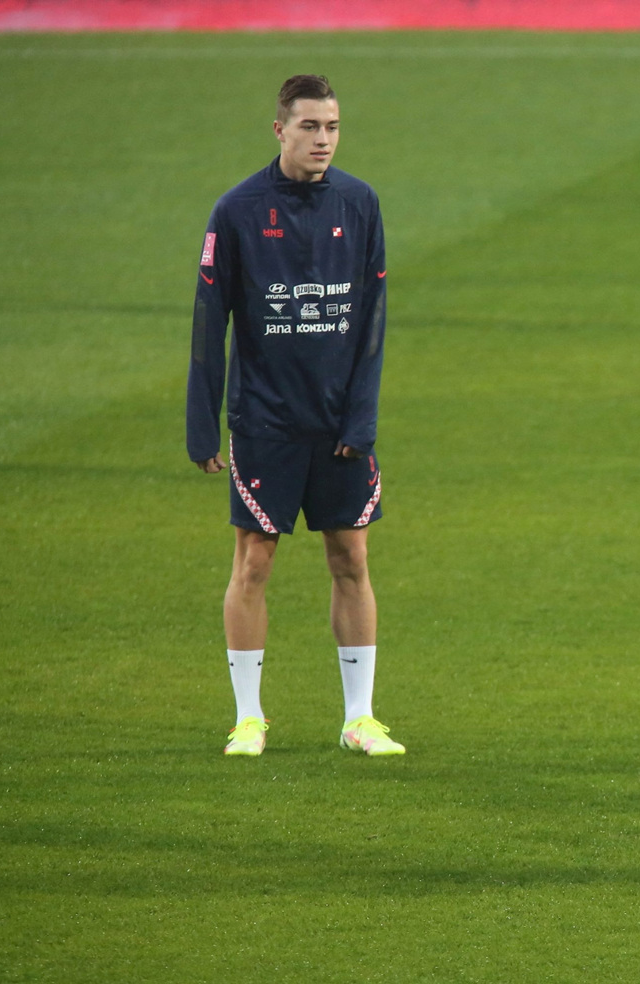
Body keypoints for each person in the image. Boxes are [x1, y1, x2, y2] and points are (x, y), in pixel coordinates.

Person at [187, 75, 403, 757]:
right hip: (266, 422)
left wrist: (362, 418)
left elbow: (372, 319)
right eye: (310, 126)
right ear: (279, 130)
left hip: (338, 424)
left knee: (351, 558)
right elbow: (209, 319)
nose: (323, 139)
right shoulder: (238, 210)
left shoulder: (360, 203)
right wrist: (202, 423)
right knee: (254, 562)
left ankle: (359, 719)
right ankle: (248, 718)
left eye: (332, 127)